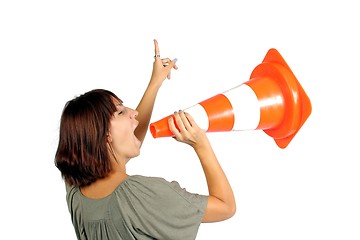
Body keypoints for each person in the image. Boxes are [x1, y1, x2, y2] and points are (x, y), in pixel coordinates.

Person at [55, 39, 236, 240]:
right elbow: (225, 206)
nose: (133, 113)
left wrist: (154, 83)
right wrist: (201, 144)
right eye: (121, 112)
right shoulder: (140, 197)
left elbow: (121, 142)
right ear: (105, 136)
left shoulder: (75, 189)